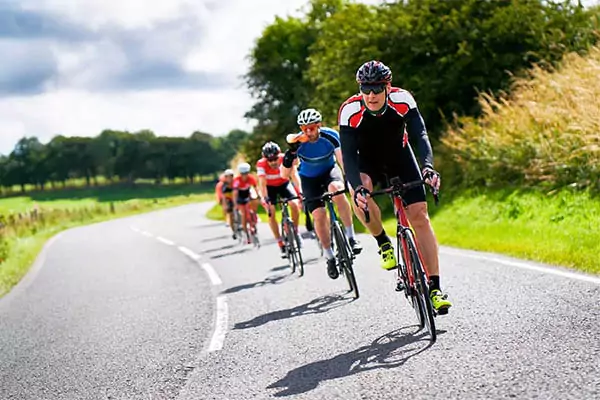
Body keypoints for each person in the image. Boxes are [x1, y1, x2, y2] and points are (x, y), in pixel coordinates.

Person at [338, 60, 452, 312]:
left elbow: (420, 136)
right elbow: (347, 155)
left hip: (400, 156)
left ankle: (435, 288)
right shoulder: (349, 110)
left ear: (387, 87)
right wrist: (357, 188)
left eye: (376, 89)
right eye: (365, 89)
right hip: (366, 160)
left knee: (420, 217)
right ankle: (382, 242)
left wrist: (428, 167)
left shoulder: (403, 100)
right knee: (361, 197)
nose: (370, 95)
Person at [281, 108, 362, 280]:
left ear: (319, 125)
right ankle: (329, 256)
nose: (308, 132)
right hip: (309, 179)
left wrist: (350, 180)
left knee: (336, 189)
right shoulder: (298, 142)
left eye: (312, 128)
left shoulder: (330, 135)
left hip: (329, 171)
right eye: (304, 129)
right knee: (319, 214)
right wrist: (290, 154)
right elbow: (284, 174)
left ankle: (351, 236)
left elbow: (342, 160)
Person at [257, 141, 303, 258]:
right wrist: (265, 198)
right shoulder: (261, 164)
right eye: (269, 160)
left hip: (284, 184)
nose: (273, 162)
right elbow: (262, 183)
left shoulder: (284, 158)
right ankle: (280, 242)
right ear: (265, 159)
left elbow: (294, 176)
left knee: (294, 204)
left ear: (279, 155)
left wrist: (300, 191)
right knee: (271, 212)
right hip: (269, 188)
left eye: (275, 158)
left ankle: (295, 232)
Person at [232, 162, 261, 244]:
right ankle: (247, 234)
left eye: (246, 173)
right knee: (244, 214)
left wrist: (258, 197)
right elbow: (235, 194)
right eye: (243, 174)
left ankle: (254, 217)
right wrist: (235, 204)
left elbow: (255, 188)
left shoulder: (251, 178)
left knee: (253, 205)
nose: (244, 175)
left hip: (248, 195)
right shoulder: (237, 181)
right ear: (240, 173)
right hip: (240, 197)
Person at [219, 169, 237, 238]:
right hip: (229, 201)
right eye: (227, 177)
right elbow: (223, 198)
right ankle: (234, 231)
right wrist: (225, 206)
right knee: (231, 215)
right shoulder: (224, 186)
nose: (229, 178)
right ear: (225, 177)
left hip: (236, 199)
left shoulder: (236, 183)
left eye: (231, 176)